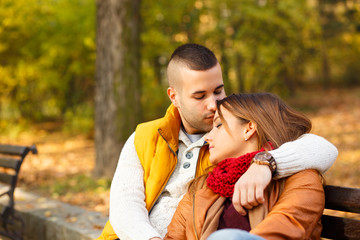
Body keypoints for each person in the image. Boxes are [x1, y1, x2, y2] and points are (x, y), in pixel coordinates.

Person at [98, 44, 337, 240]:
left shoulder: (234, 135)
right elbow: (125, 206)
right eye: (200, 96)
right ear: (174, 96)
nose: (213, 105)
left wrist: (265, 163)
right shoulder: (146, 136)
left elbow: (322, 148)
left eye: (218, 91)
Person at [165, 93, 325, 240]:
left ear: (249, 129)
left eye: (219, 125)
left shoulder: (300, 180)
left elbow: (282, 232)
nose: (207, 137)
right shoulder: (202, 186)